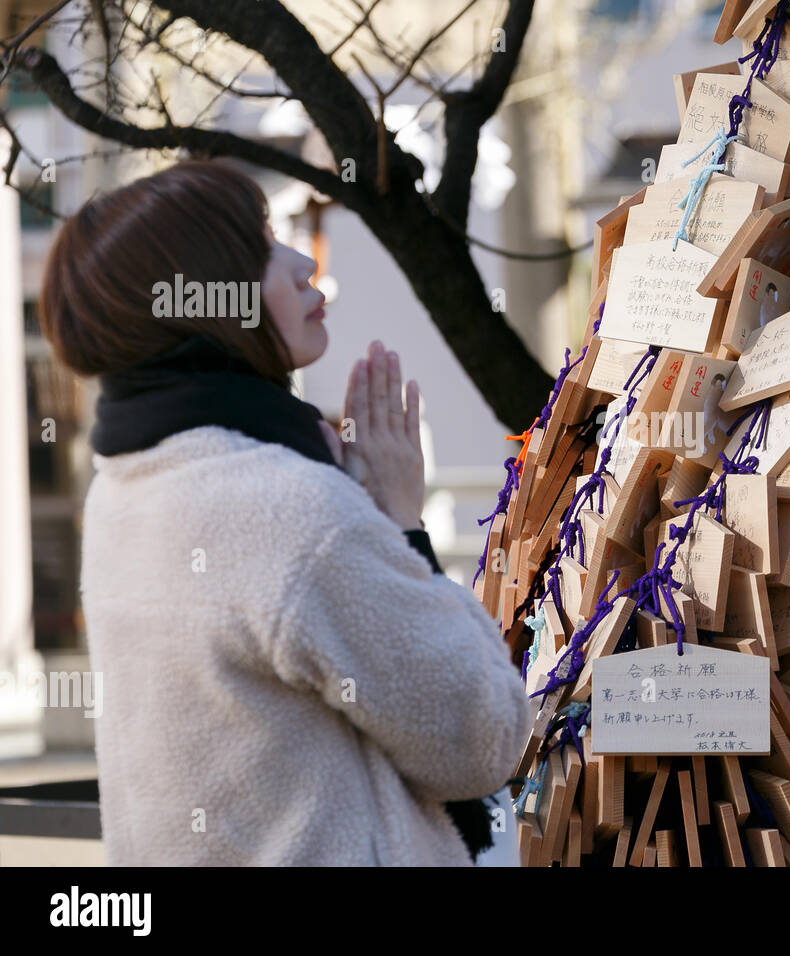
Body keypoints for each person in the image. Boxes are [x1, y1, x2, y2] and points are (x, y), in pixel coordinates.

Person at [38, 160, 531, 865]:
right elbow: (480, 740)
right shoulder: (292, 511)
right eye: (263, 247)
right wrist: (398, 520)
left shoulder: (126, 487)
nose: (303, 264)